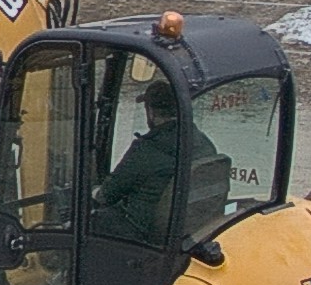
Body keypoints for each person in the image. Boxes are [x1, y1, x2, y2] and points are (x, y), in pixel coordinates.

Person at [89, 74, 220, 246]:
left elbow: (106, 196)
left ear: (150, 112)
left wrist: (94, 192)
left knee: (88, 220)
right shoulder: (203, 142)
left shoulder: (146, 149)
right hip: (185, 228)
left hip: (142, 232)